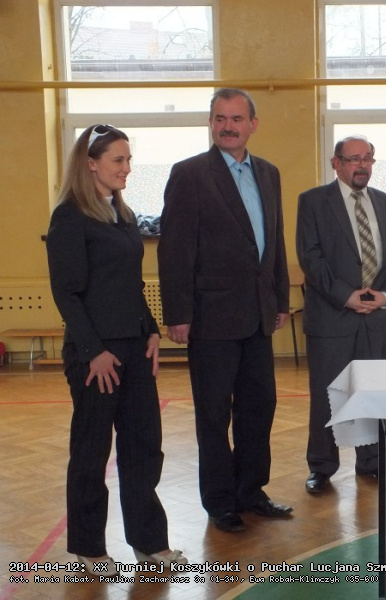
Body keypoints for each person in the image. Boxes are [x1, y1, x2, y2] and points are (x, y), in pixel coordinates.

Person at [46, 124, 186, 574]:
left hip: (134, 348)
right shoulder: (69, 217)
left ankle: (149, 542)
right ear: (91, 164)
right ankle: (89, 550)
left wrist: (151, 330)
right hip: (96, 356)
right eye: (118, 160)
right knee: (91, 452)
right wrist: (94, 351)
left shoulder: (121, 215)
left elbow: (130, 284)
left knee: (145, 447)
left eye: (128, 160)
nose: (127, 168)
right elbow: (67, 293)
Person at [158, 88, 293, 533]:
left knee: (259, 407)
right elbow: (174, 250)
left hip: (258, 315)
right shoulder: (189, 174)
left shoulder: (269, 173)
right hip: (210, 318)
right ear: (210, 123)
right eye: (220, 118)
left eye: (236, 118)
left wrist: (279, 299)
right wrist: (178, 313)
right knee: (214, 415)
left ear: (253, 124)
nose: (227, 126)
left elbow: (273, 241)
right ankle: (219, 502)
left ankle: (251, 491)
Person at [297, 135, 386, 494]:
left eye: (368, 158)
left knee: (372, 393)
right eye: (354, 159)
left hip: (375, 317)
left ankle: (372, 462)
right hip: (332, 317)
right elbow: (310, 257)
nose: (362, 165)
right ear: (336, 163)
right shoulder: (313, 201)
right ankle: (322, 467)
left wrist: (385, 296)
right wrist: (346, 296)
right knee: (327, 395)